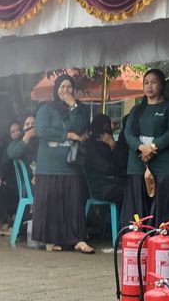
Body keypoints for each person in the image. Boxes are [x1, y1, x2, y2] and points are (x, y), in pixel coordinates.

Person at [31, 75, 93, 253]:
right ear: (56, 89)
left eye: (69, 87)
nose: (65, 90)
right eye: (62, 87)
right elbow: (43, 130)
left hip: (71, 164)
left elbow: (81, 126)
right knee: (51, 202)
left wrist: (73, 105)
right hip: (49, 165)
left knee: (72, 202)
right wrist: (67, 135)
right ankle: (50, 239)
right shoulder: (46, 109)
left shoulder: (79, 108)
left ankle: (77, 239)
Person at [121, 68, 169, 235]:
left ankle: (165, 236)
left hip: (163, 160)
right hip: (137, 160)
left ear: (162, 85)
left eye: (154, 82)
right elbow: (128, 133)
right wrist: (141, 148)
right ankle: (137, 235)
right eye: (146, 82)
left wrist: (153, 147)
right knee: (137, 198)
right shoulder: (136, 110)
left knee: (166, 197)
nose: (149, 86)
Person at [81, 113, 126, 239]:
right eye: (105, 127)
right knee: (128, 192)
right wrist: (112, 145)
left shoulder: (104, 144)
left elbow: (123, 163)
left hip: (110, 183)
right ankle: (122, 230)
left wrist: (113, 146)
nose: (107, 130)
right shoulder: (91, 146)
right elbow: (107, 168)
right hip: (99, 188)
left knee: (133, 189)